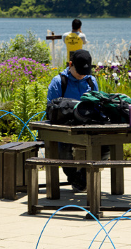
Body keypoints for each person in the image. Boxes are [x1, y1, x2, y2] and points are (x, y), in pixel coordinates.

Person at [46, 48, 101, 192]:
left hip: (87, 125)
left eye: (85, 72)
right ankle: (75, 178)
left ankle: (83, 175)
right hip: (64, 128)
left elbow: (97, 103)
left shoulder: (91, 80)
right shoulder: (59, 82)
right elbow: (50, 108)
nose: (82, 75)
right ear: (70, 64)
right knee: (63, 147)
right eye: (79, 72)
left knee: (105, 146)